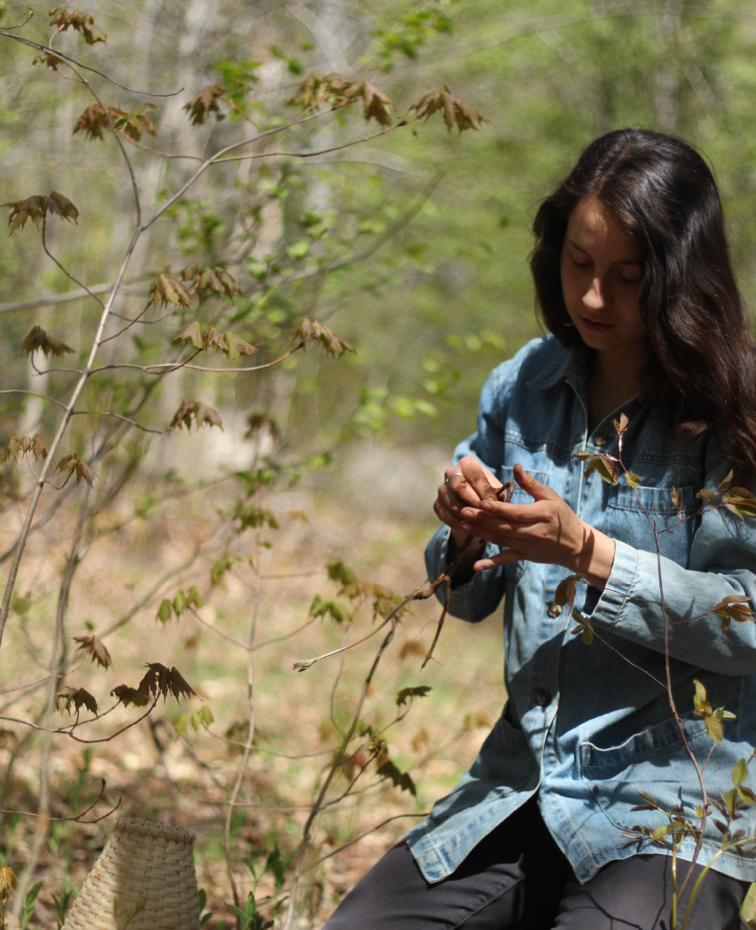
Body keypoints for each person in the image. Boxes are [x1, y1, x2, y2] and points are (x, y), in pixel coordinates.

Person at [323, 129, 756, 929]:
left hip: (673, 804)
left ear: (680, 277)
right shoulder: (521, 384)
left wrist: (589, 554)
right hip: (522, 783)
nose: (593, 298)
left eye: (627, 277)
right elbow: (464, 598)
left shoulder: (733, 412)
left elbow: (747, 621)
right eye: (578, 264)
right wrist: (463, 537)